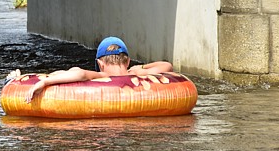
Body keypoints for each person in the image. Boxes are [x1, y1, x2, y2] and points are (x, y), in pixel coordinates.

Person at [24, 37, 174, 103]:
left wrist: (45, 82)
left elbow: (80, 74)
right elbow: (166, 66)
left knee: (72, 69)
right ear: (128, 61)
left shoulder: (102, 75)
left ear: (100, 63)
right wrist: (140, 67)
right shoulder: (134, 73)